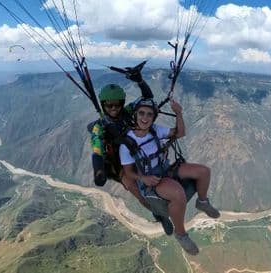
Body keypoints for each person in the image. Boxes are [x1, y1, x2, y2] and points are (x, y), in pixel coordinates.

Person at [119, 98, 220, 255]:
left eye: (149, 114)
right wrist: (143, 178)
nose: (145, 118)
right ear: (136, 115)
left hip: (166, 169)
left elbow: (180, 133)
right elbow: (128, 173)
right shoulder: (127, 144)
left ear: (153, 117)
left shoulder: (154, 130)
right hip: (152, 180)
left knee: (203, 172)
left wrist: (178, 113)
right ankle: (181, 234)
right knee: (178, 194)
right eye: (141, 113)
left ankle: (202, 202)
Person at [88, 62, 175, 235]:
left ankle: (173, 201)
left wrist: (140, 81)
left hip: (140, 155)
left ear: (122, 103)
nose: (114, 109)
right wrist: (99, 171)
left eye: (117, 104)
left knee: (162, 178)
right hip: (120, 165)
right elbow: (97, 151)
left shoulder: (128, 111)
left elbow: (147, 99)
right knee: (139, 193)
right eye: (109, 105)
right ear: (103, 105)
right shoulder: (100, 127)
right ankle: (160, 215)